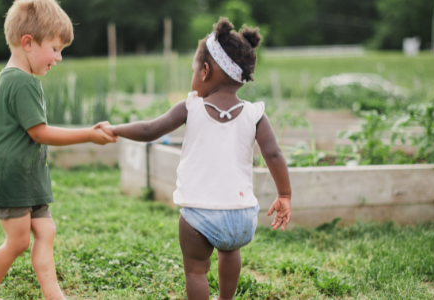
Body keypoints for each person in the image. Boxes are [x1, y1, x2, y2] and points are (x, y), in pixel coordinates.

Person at [100, 18, 292, 300]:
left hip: (198, 215)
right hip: (240, 214)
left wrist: (114, 129)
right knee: (230, 251)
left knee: (196, 271)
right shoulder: (255, 113)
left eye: (193, 70)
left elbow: (151, 129)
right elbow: (273, 154)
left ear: (204, 70)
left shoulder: (191, 107)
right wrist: (285, 194)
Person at [0, 1, 116, 299]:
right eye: (55, 49)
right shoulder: (21, 81)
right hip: (10, 175)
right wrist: (88, 135)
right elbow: (39, 133)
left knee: (46, 231)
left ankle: (54, 294)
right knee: (17, 242)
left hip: (27, 174)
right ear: (28, 43)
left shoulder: (15, 78)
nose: (59, 57)